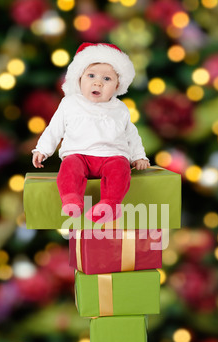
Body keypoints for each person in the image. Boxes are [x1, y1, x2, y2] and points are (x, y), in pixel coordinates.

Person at [32, 42, 150, 223]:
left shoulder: (120, 109)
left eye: (107, 79)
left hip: (112, 156)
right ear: (79, 79)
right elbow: (54, 129)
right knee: (69, 167)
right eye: (91, 76)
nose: (98, 82)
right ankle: (71, 199)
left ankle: (110, 204)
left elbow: (131, 135)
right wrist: (42, 150)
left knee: (120, 170)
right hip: (79, 155)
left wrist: (139, 156)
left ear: (118, 85)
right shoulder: (70, 103)